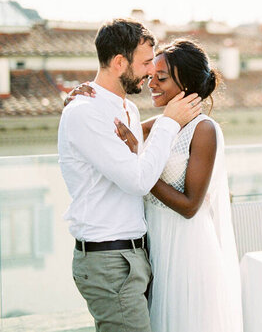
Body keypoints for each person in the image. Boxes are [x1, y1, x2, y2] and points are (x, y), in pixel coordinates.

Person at [67, 39, 243, 332]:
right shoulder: (161, 123)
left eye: (161, 78)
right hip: (155, 249)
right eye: (151, 76)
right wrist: (83, 96)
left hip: (187, 252)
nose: (151, 84)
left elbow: (189, 206)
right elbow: (109, 126)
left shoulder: (204, 130)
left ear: (185, 83)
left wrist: (139, 164)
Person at [58, 19, 202, 332]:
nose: (152, 71)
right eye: (147, 62)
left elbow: (136, 157)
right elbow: (138, 180)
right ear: (120, 62)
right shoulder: (84, 112)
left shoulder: (127, 110)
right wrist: (169, 122)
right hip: (109, 260)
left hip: (132, 255)